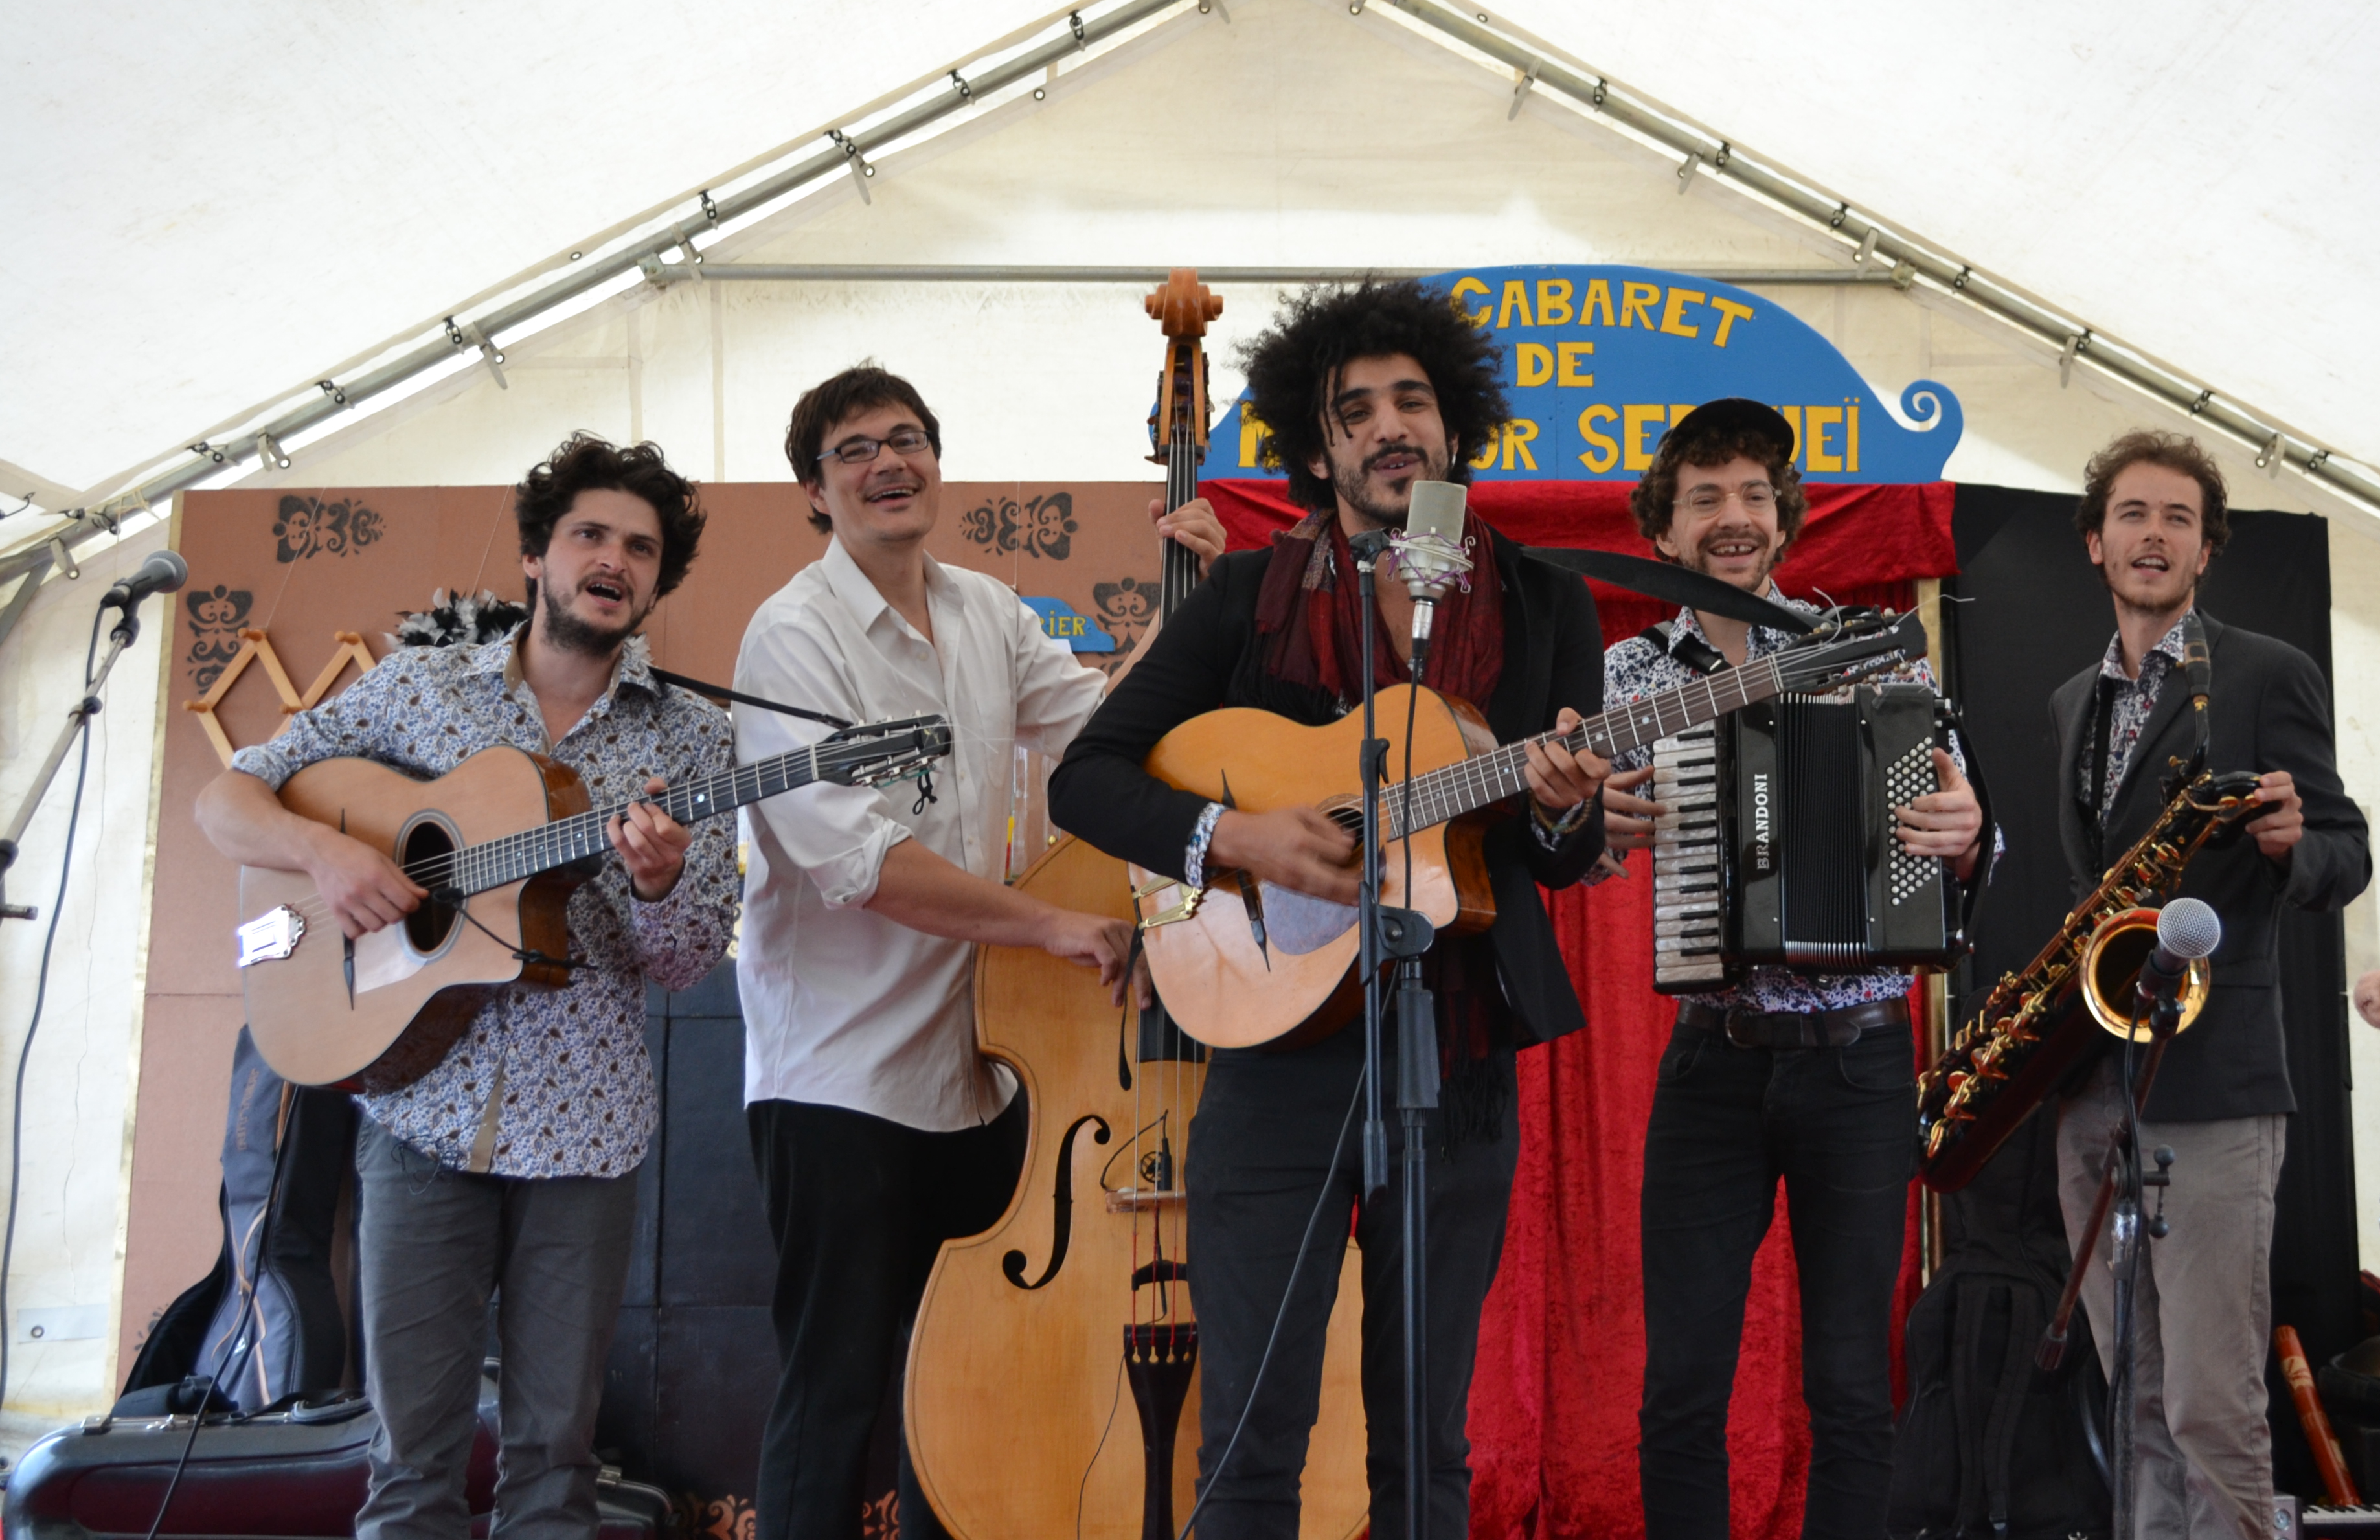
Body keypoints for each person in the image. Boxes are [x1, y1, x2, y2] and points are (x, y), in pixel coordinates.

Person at [1050, 280, 1614, 1540]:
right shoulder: (1247, 596)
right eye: (1354, 412)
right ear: (1317, 452)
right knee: (1252, 1441)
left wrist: (1565, 805)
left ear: (1455, 427)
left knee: (1425, 1453)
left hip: (1455, 1059)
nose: (1388, 426)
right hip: (1271, 1062)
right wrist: (1237, 836)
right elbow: (1085, 779)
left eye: (1412, 401)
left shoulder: (1545, 603)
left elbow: (1556, 856)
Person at [195, 436, 737, 1540]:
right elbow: (228, 801)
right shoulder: (419, 688)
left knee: (554, 1471)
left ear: (656, 582)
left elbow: (684, 963)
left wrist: (659, 883)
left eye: (640, 549)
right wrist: (328, 855)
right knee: (409, 1471)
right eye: (590, 535)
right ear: (537, 555)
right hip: (419, 1115)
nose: (614, 560)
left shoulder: (695, 739)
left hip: (586, 1133)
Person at [731, 363, 1225, 1540]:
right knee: (836, 1396)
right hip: (840, 1082)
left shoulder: (987, 612)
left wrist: (1194, 607)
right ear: (815, 490)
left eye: (908, 439)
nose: (889, 463)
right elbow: (859, 862)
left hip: (987, 1073)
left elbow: (1108, 733)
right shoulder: (790, 636)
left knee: (972, 1390)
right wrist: (1050, 922)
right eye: (856, 449)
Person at [1592, 399, 1986, 1540]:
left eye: (1756, 494)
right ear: (1663, 531)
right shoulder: (1629, 674)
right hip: (1712, 1063)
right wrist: (1592, 825)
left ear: (1784, 517)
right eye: (1706, 497)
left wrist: (1968, 832)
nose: (1735, 516)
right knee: (1682, 1387)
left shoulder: (1864, 647)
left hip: (1860, 1065)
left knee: (1854, 1384)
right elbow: (1572, 849)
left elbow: (1964, 825)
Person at [2047, 430, 2370, 1540]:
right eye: (2133, 515)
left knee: (2208, 1405)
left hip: (2218, 1086)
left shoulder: (2269, 672)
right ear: (2096, 543)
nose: (2155, 535)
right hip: (2092, 1087)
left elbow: (2345, 850)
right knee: (2131, 1398)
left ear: (2206, 550)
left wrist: (2295, 844)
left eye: (2178, 519)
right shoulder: (2069, 703)